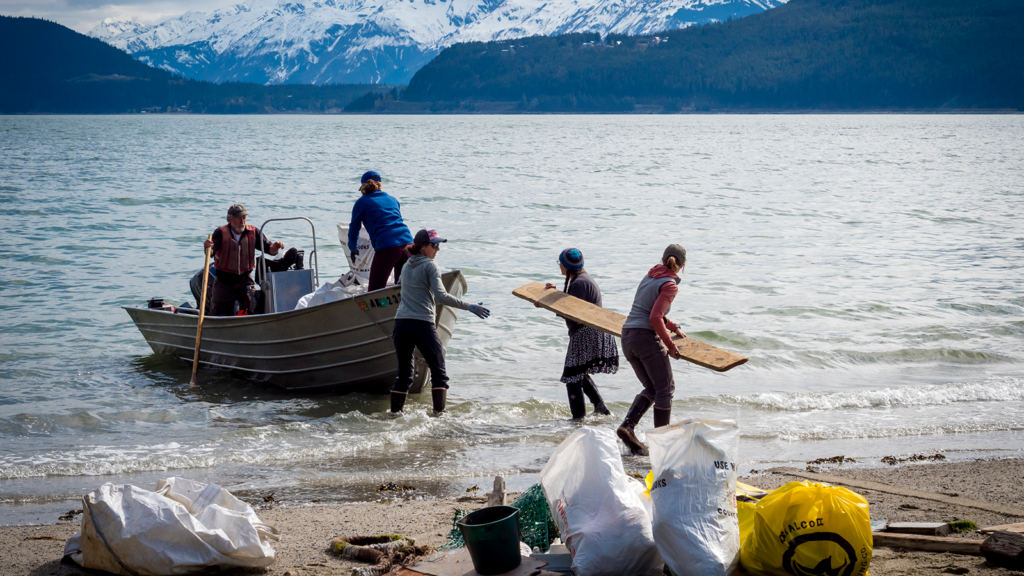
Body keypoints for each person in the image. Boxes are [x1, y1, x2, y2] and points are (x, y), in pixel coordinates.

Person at [390, 228, 490, 414]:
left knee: (404, 376)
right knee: (439, 373)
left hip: (401, 324)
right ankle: (439, 418)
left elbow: (399, 288)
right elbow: (442, 297)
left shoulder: (406, 265)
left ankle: (394, 416)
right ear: (423, 247)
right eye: (434, 245)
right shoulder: (430, 265)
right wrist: (470, 306)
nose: (438, 249)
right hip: (421, 324)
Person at [616, 244, 687, 456]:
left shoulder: (650, 275)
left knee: (653, 388)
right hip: (646, 338)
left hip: (628, 336)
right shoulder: (670, 284)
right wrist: (671, 345)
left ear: (663, 258)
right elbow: (654, 317)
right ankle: (661, 445)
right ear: (682, 265)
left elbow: (648, 310)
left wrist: (672, 326)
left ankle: (627, 427)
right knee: (666, 389)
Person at [542, 248, 616, 419]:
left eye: (560, 262)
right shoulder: (580, 280)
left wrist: (548, 300)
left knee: (572, 377)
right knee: (579, 372)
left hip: (586, 334)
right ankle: (601, 408)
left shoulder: (578, 284)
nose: (559, 265)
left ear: (566, 265)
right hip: (591, 332)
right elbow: (570, 303)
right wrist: (555, 294)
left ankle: (578, 419)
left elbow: (569, 311)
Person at [202, 204, 284, 316]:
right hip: (224, 281)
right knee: (218, 313)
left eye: (244, 217)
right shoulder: (220, 232)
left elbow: (269, 249)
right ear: (229, 219)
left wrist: (275, 248)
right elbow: (211, 251)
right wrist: (208, 248)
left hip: (244, 279)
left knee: (253, 307)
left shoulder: (253, 232)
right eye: (239, 217)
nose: (242, 221)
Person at [348, 171, 414, 291]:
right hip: (408, 245)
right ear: (380, 185)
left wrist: (353, 248)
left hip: (387, 248)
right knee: (404, 289)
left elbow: (354, 228)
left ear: (363, 188)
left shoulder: (361, 202)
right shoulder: (393, 199)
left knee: (375, 290)